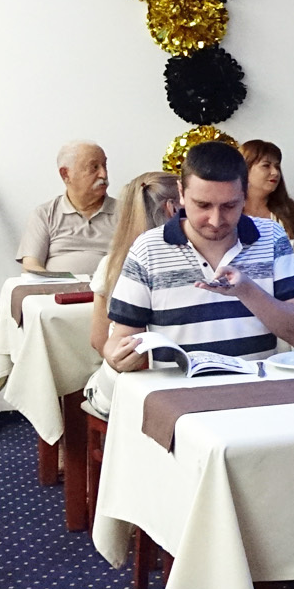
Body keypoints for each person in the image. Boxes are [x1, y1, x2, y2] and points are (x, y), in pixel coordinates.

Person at [102, 141, 294, 369]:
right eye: (202, 205)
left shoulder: (270, 236)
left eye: (229, 206)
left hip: (254, 385)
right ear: (181, 193)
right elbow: (119, 338)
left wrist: (247, 291)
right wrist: (117, 357)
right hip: (177, 388)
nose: (215, 220)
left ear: (245, 195)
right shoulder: (148, 248)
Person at [82, 171, 180, 416]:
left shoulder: (111, 264)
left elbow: (98, 340)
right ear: (173, 209)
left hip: (125, 384)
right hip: (177, 379)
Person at [18, 141, 116, 275]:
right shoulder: (45, 214)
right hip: (58, 288)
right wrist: (67, 284)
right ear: (65, 174)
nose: (103, 174)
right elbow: (31, 266)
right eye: (94, 167)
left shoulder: (128, 212)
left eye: (104, 165)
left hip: (112, 287)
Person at [239, 139, 294, 243]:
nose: (275, 172)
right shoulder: (229, 211)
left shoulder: (290, 209)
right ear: (245, 169)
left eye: (277, 167)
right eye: (266, 165)